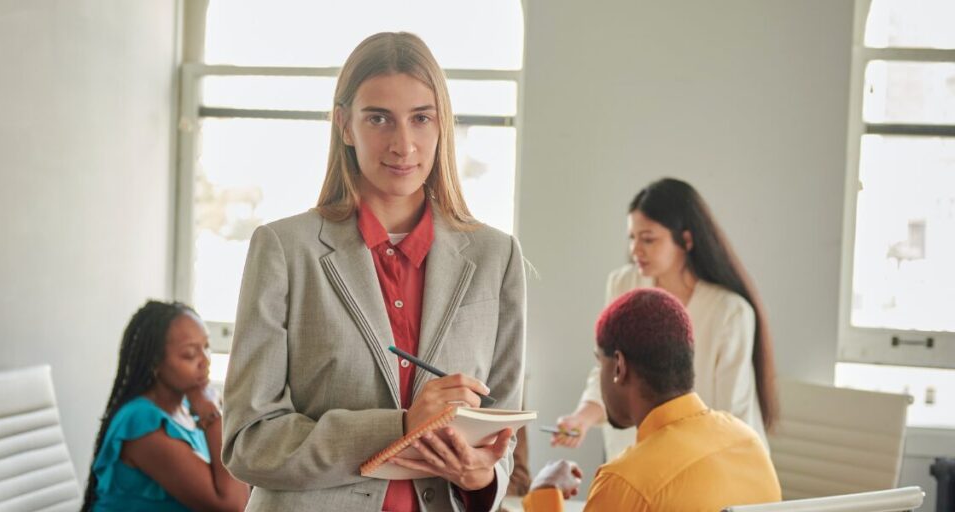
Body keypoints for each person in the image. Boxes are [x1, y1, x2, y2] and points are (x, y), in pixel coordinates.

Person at [221, 32, 526, 511]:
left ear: (441, 125)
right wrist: (399, 429)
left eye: (421, 118)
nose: (403, 144)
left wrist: (481, 474)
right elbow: (248, 441)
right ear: (345, 125)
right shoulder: (284, 249)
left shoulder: (496, 256)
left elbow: (503, 430)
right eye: (379, 118)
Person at [553, 178, 777, 458]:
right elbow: (611, 369)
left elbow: (733, 412)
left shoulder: (729, 312)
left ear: (686, 239)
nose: (635, 249)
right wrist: (581, 418)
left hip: (707, 458)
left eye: (648, 239)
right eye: (632, 237)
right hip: (637, 454)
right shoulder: (624, 284)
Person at [525, 288, 781, 511]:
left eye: (599, 363)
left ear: (618, 367)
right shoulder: (751, 446)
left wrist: (543, 493)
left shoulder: (625, 484)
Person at [82, 300, 249, 512]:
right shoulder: (141, 423)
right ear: (155, 363)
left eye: (206, 347)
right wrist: (212, 414)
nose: (205, 361)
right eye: (190, 354)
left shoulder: (188, 408)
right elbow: (234, 506)